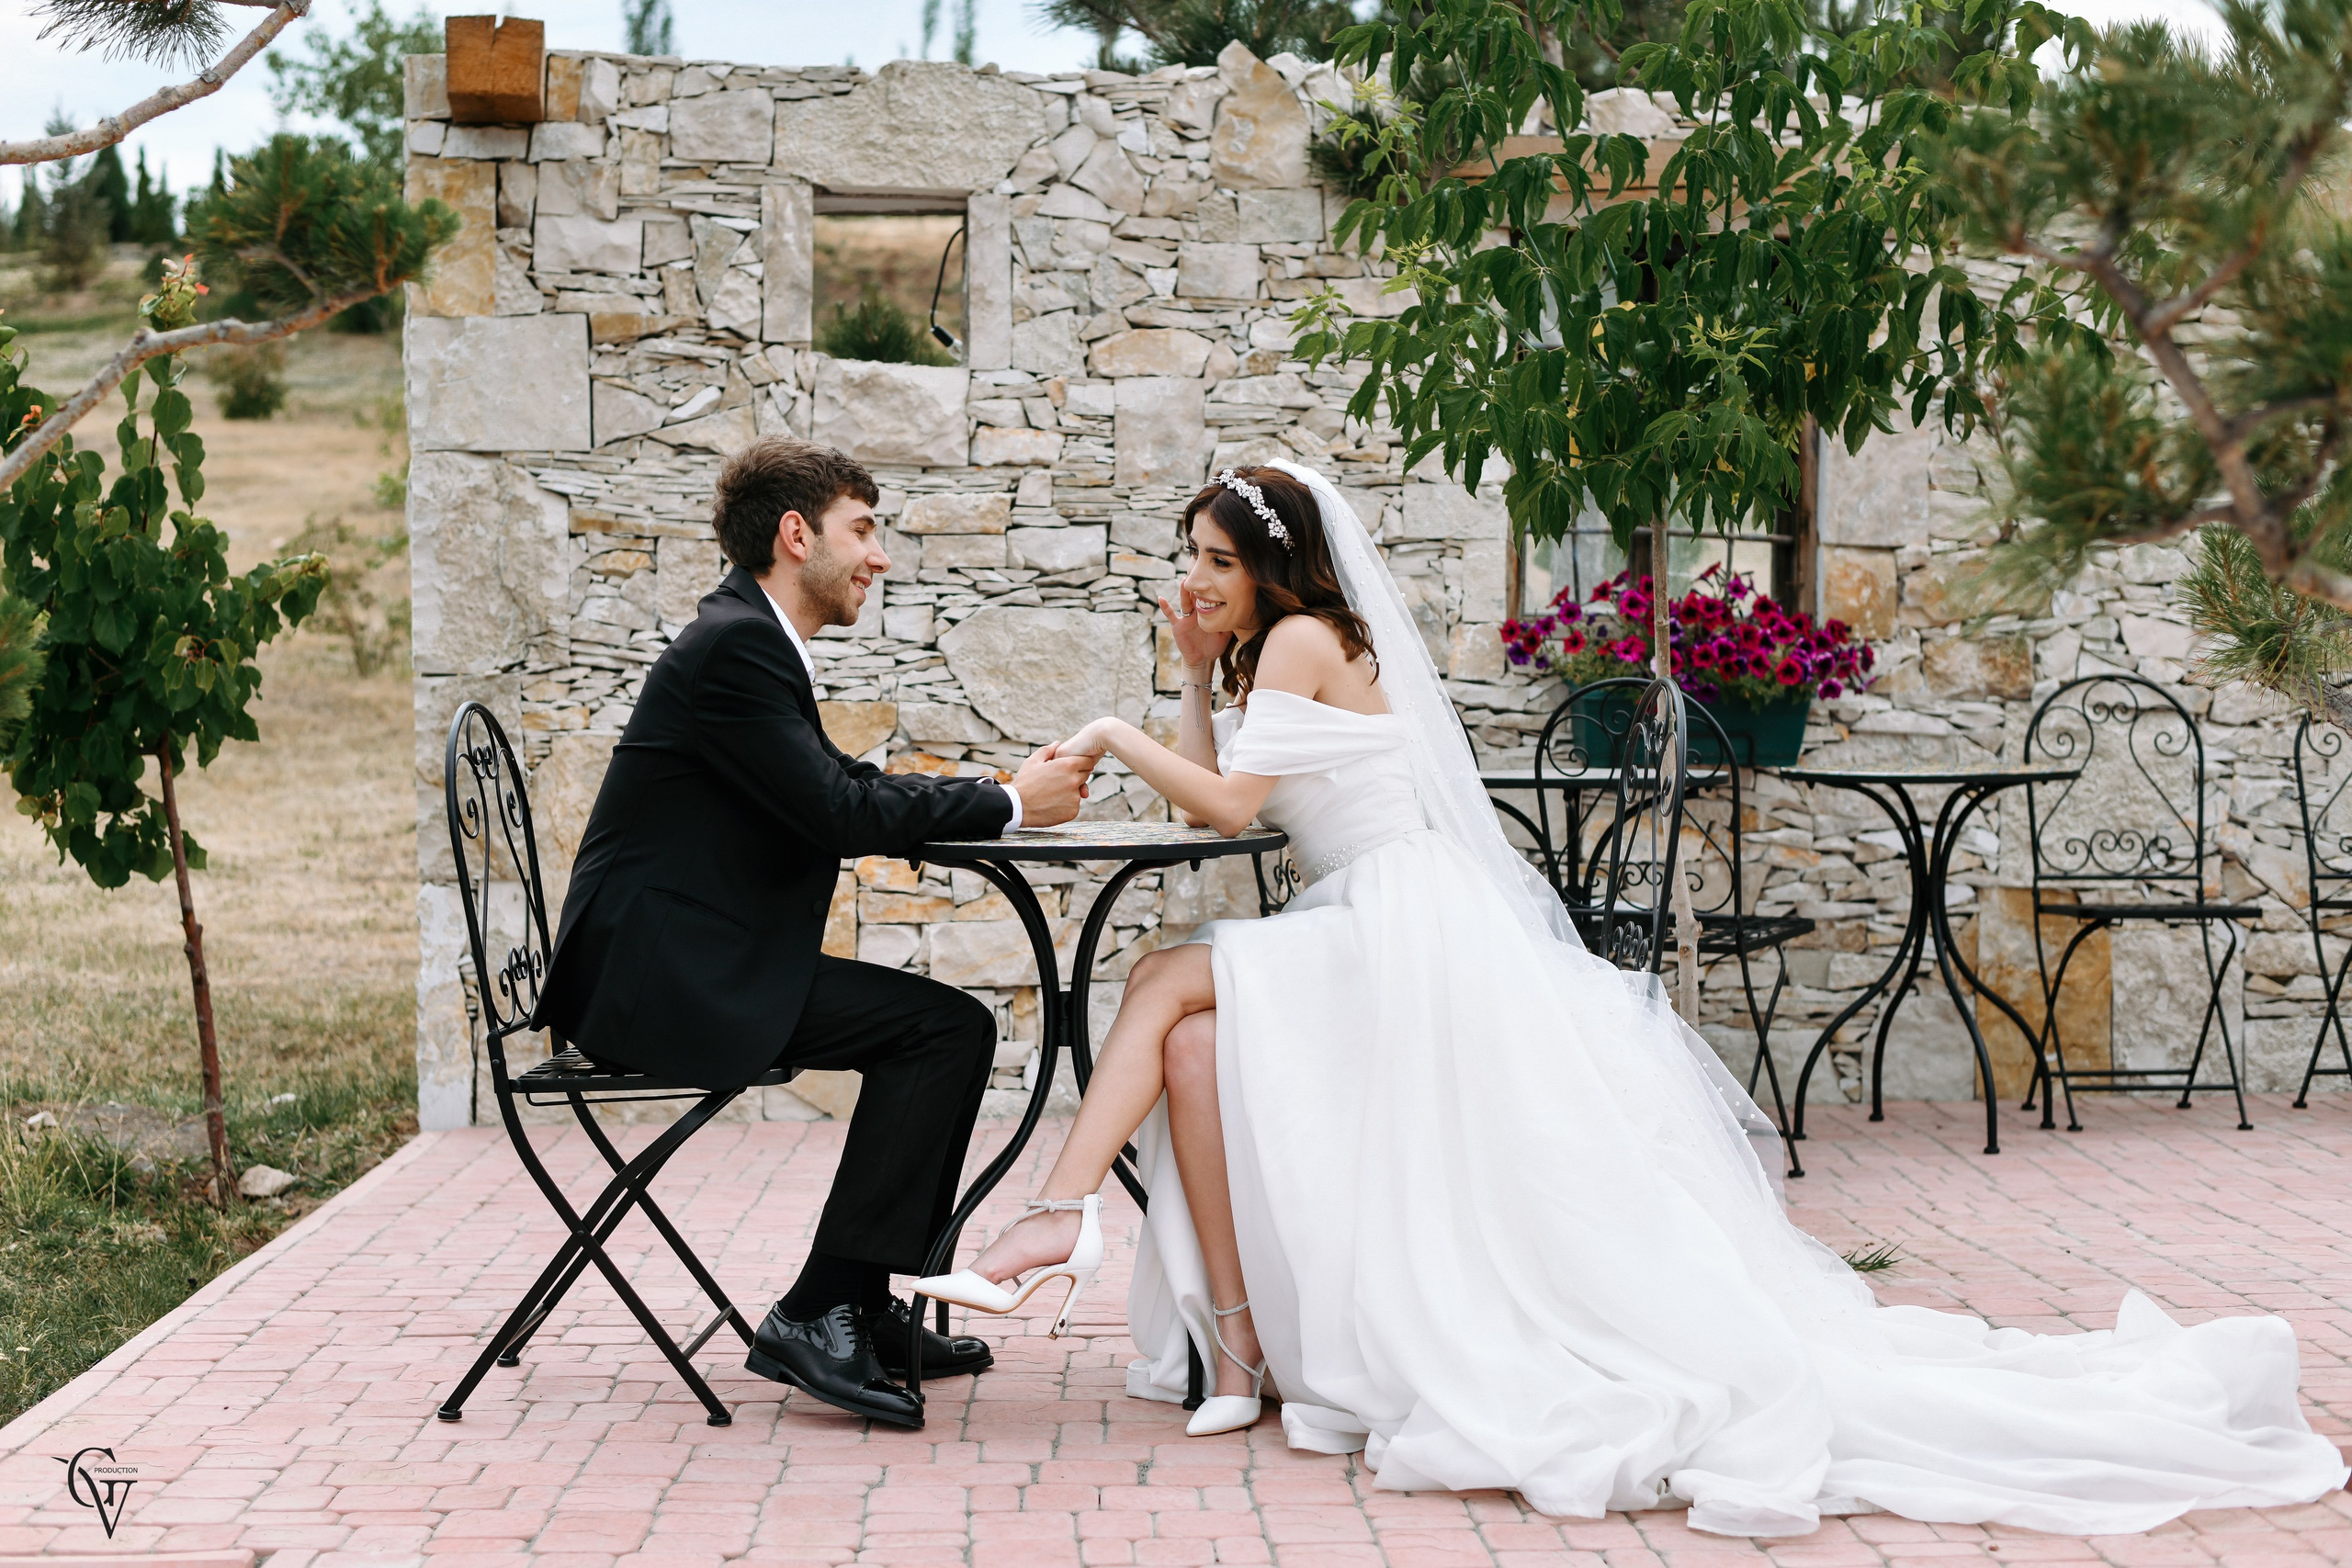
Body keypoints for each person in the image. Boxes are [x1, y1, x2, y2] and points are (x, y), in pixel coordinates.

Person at [915, 461, 2348, 1534]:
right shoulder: (1275, 649)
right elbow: (1234, 807)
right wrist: (1177, 678)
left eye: (1214, 561)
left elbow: (1223, 801)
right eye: (1189, 560)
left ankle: (1058, 1212)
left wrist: (1108, 726)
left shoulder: (1304, 641)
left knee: (1170, 976)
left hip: (1404, 921)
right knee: (1197, 1044)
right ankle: (1228, 1340)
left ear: (1274, 567)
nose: (1198, 579)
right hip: (1390, 921)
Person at [532, 437, 1096, 1431]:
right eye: (863, 531)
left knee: (947, 1029)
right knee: (940, 1030)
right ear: (796, 536)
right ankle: (825, 1307)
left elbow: (843, 788)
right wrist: (1009, 800)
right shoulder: (736, 647)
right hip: (659, 982)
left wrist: (995, 793)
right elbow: (840, 812)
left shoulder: (746, 640)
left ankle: (869, 1305)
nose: (878, 557)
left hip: (689, 962)